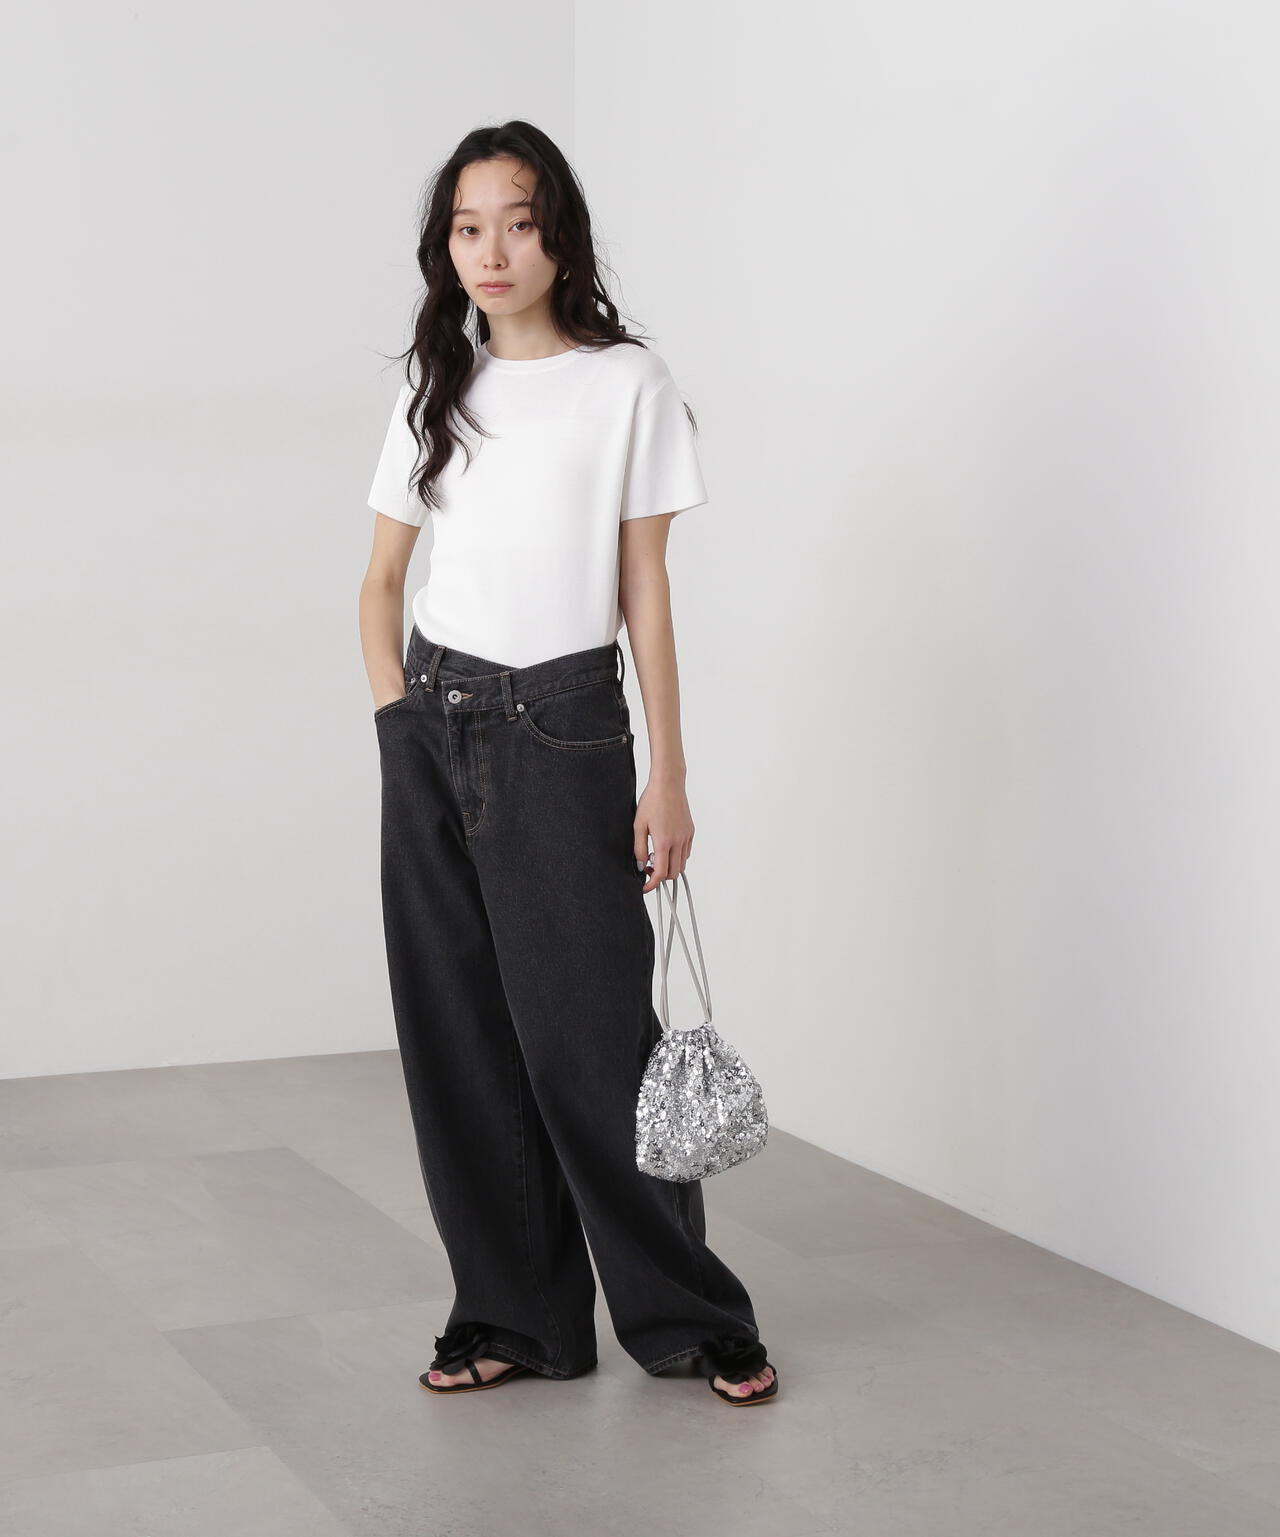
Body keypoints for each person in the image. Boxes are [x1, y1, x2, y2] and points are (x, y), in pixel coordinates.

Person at [357, 120, 778, 1407]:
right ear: (445, 245)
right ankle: (516, 1317)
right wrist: (398, 723)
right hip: (432, 720)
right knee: (460, 1041)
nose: (490, 249)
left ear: (560, 238)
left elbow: (644, 588)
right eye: (467, 225)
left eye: (518, 221)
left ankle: (689, 1316)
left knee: (593, 1043)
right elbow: (379, 583)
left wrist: (669, 773)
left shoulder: (625, 383)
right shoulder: (434, 387)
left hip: (563, 726)